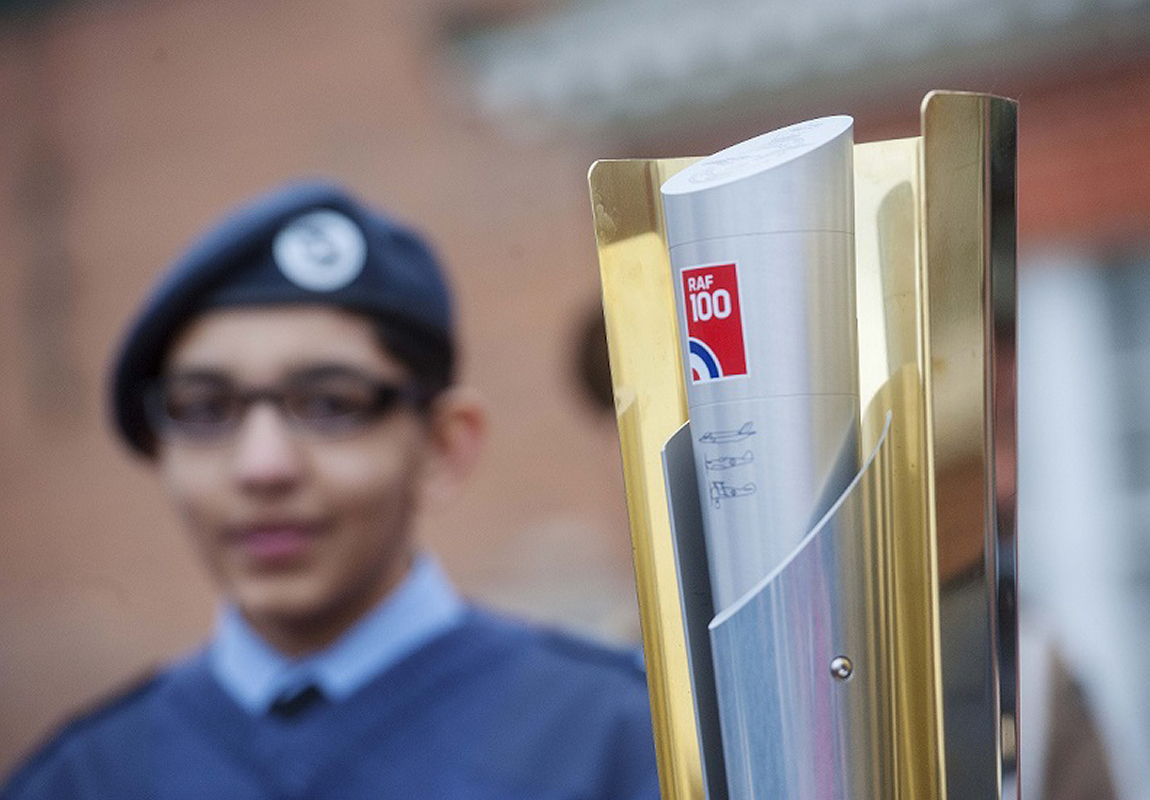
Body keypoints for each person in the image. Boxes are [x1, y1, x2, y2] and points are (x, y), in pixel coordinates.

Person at [1, 182, 660, 799]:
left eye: (330, 403)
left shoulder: (623, 742)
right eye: (204, 409)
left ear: (443, 445)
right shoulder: (85, 780)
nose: (262, 467)